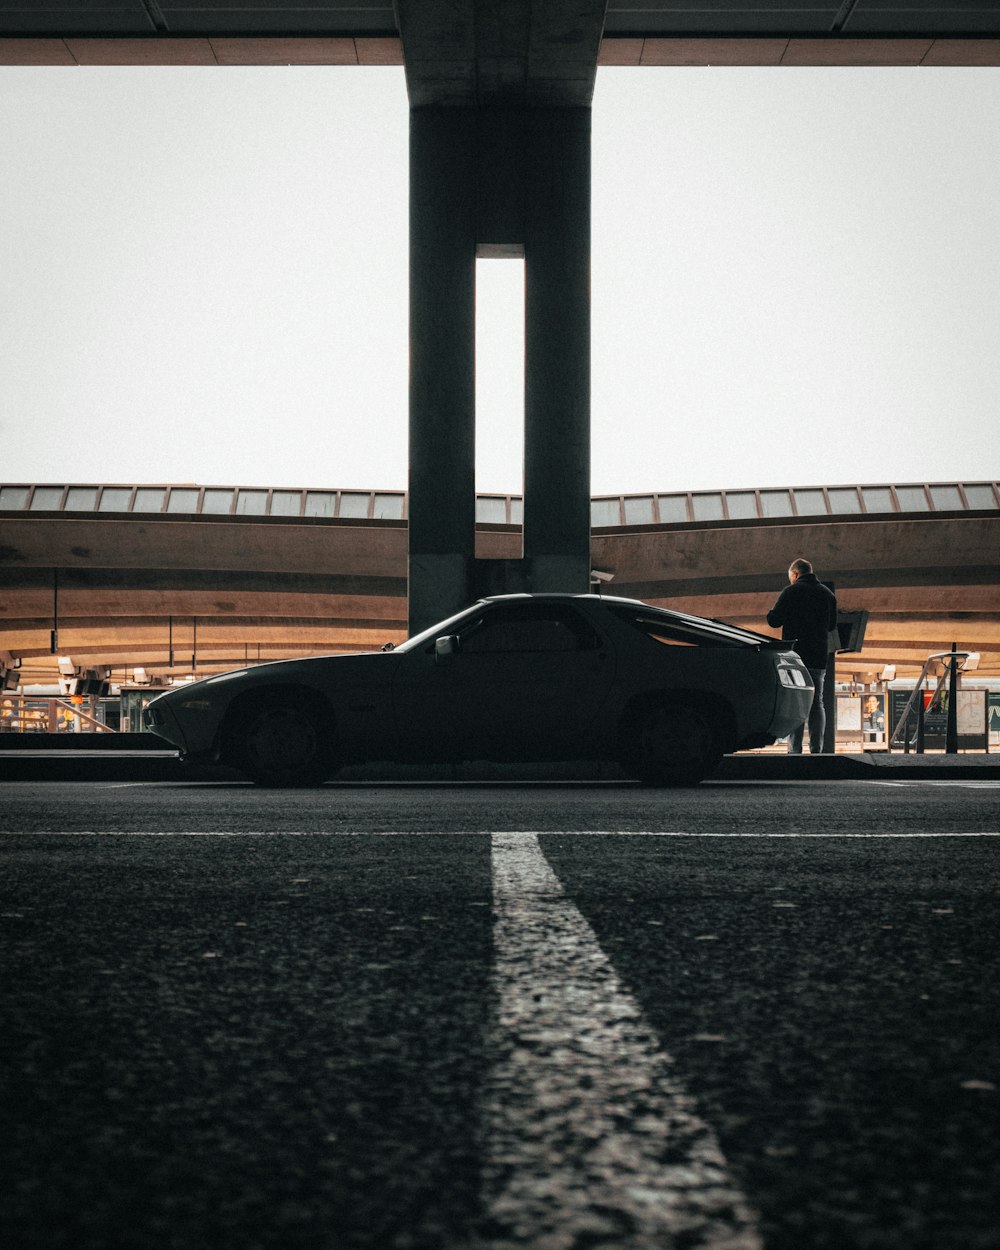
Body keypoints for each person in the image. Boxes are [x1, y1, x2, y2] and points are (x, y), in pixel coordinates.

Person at [767, 558, 838, 754]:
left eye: (791, 578)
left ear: (796, 574)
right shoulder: (827, 594)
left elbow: (775, 621)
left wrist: (770, 614)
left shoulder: (791, 591)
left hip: (795, 658)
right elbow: (831, 626)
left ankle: (794, 749)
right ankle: (817, 749)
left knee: (796, 702)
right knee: (817, 703)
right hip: (818, 656)